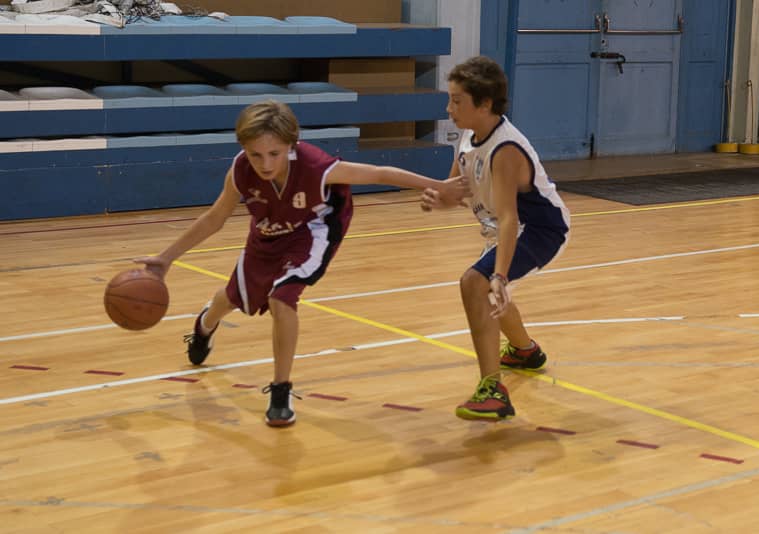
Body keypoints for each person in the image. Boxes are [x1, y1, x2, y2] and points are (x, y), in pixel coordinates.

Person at [136, 100, 466, 427]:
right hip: (268, 233)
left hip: (313, 231)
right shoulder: (240, 171)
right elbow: (214, 218)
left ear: (291, 146)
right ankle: (204, 325)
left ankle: (281, 389)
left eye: (274, 154)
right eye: (256, 155)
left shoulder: (316, 167)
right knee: (234, 297)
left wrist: (439, 186)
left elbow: (380, 173)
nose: (265, 164)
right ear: (244, 149)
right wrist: (167, 259)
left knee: (282, 297)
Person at [421, 56, 571, 421]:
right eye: (450, 98)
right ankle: (525, 352)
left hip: (539, 228)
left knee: (476, 283)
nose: (449, 108)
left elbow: (509, 217)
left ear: (484, 104)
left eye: (457, 100)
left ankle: (493, 390)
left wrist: (499, 276)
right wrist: (438, 199)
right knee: (489, 289)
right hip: (505, 227)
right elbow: (457, 190)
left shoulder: (505, 150)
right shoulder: (469, 137)